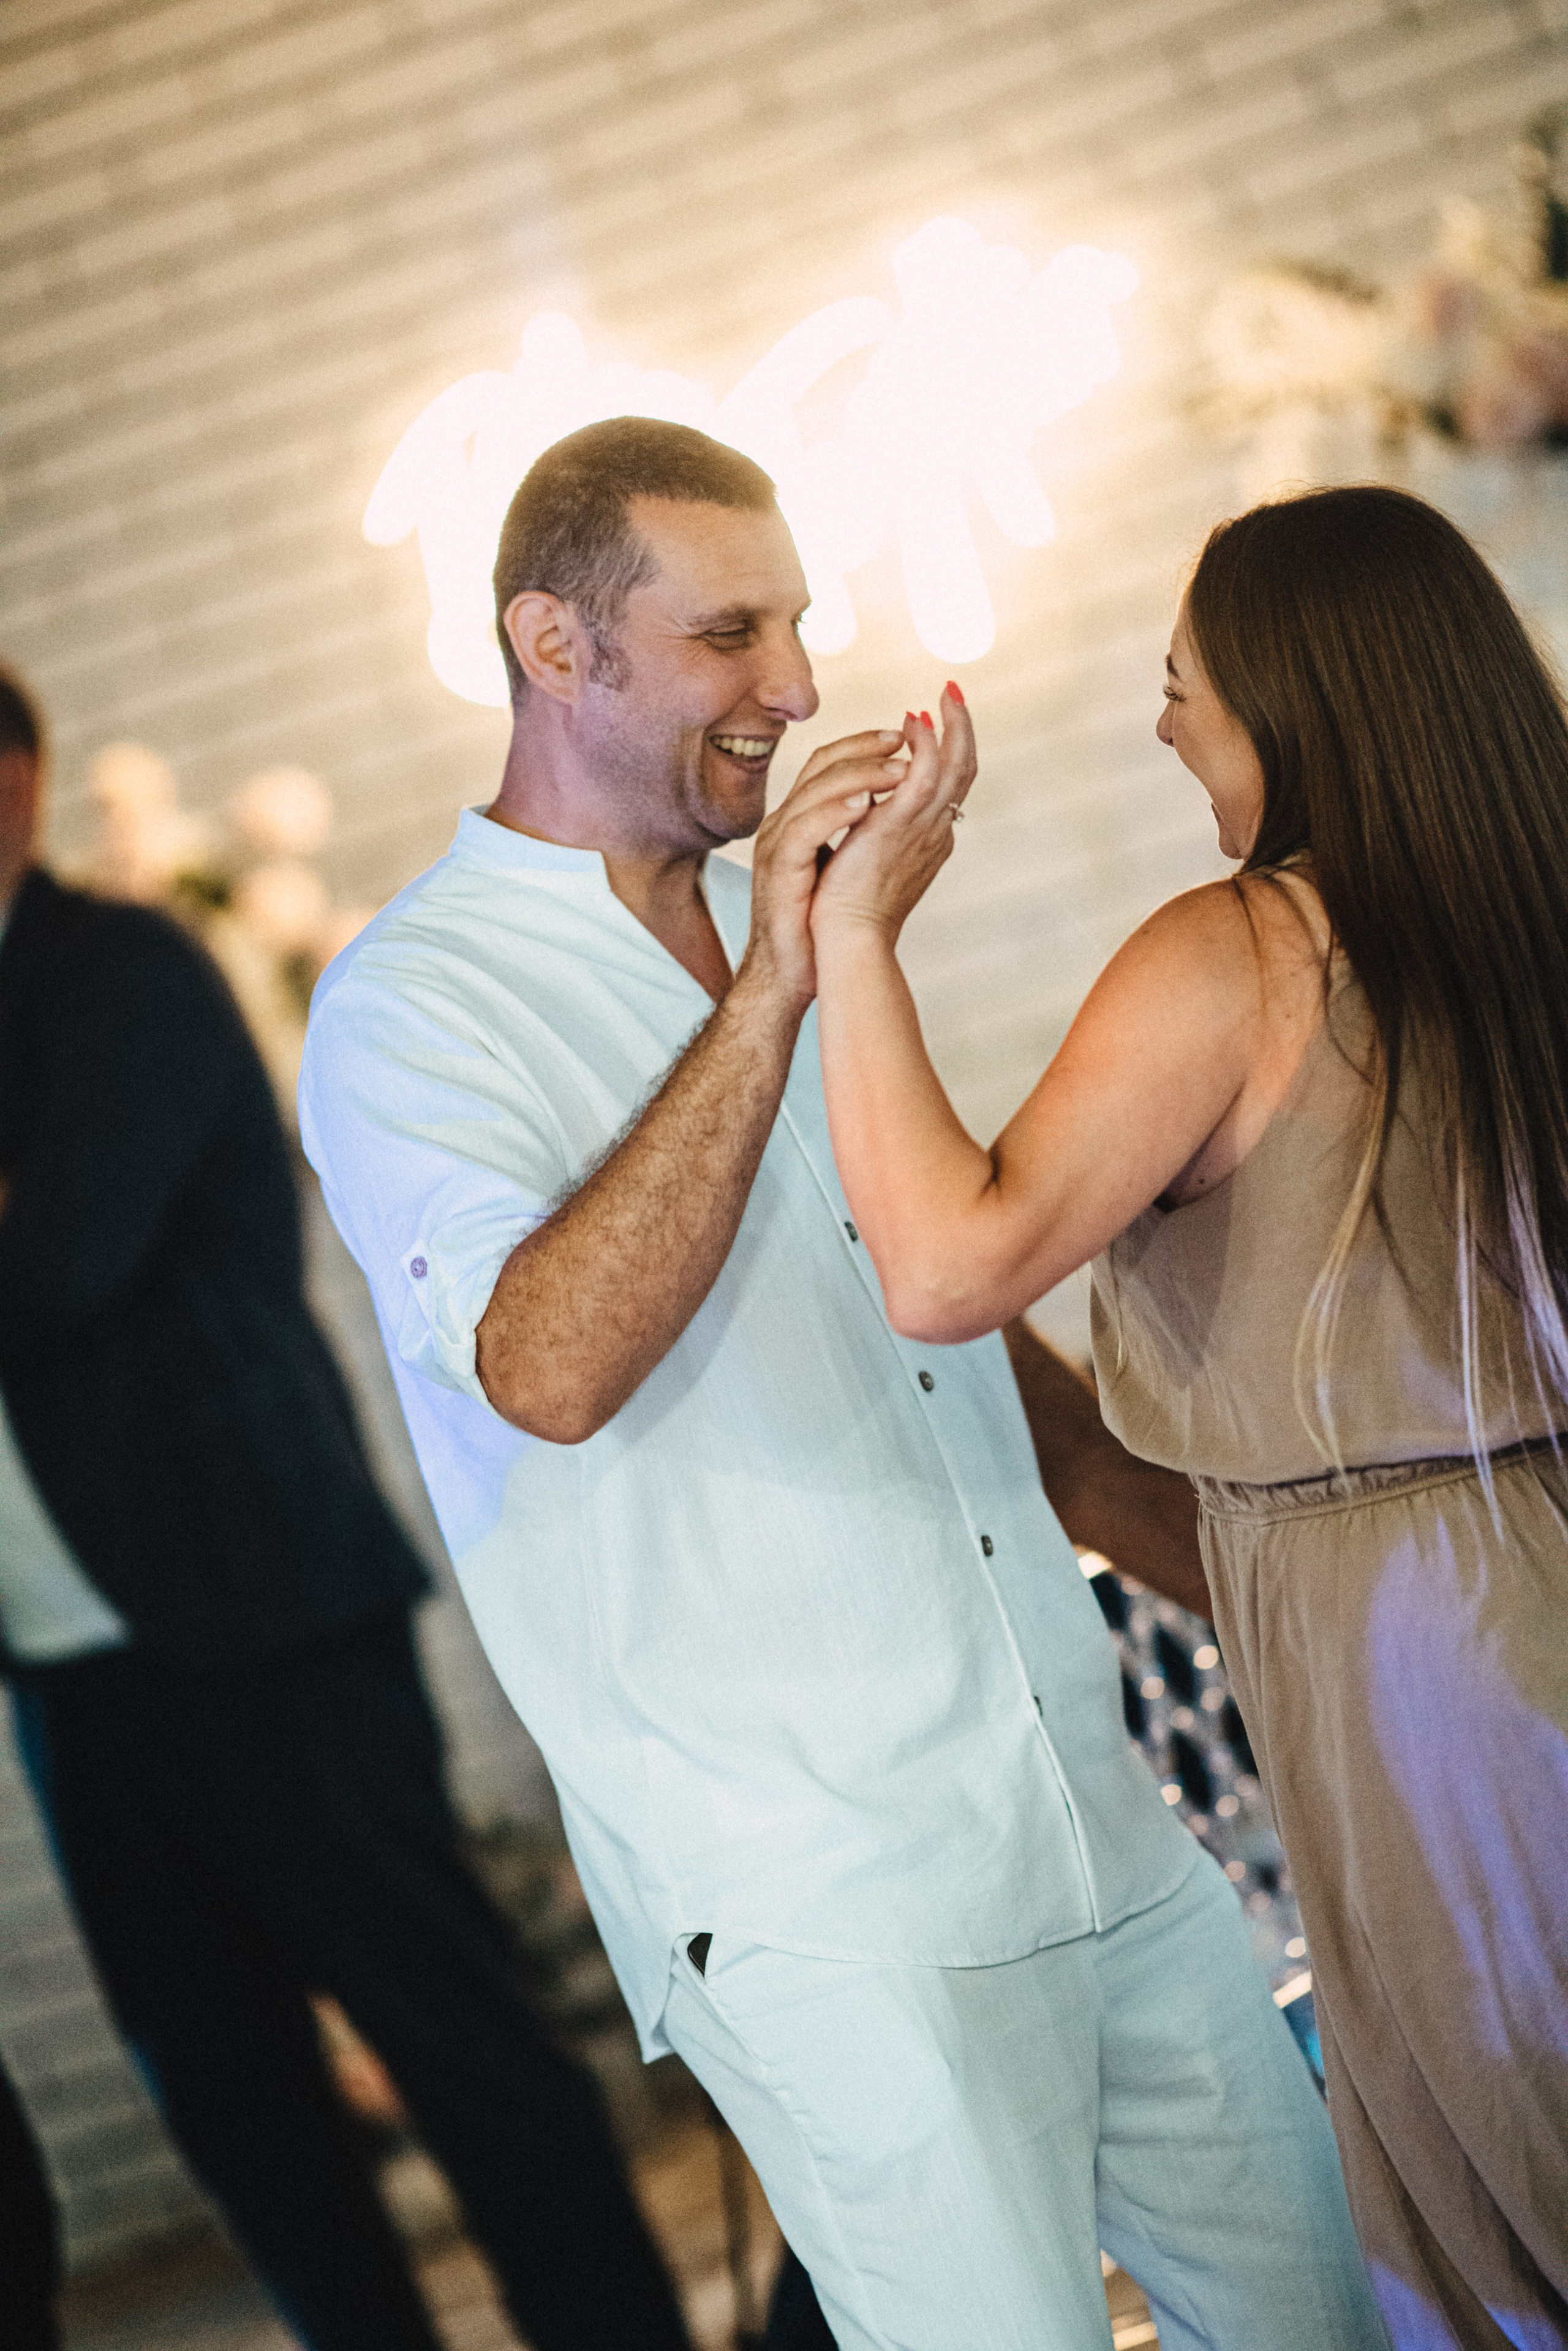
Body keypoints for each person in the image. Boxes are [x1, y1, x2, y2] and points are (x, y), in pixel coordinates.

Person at [301, 416, 1386, 2351]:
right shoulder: (414, 998)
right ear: (557, 646)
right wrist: (787, 983)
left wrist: (1307, 1611)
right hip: (822, 1899)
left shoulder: (778, 931)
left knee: (1328, 2320)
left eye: (796, 627)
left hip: (1086, 1812)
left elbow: (941, 1324)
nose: (795, 690)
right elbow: (542, 1368)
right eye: (731, 634)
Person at [805, 484, 1568, 2350]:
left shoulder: (1234, 951)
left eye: (1181, 688)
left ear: (1294, 700)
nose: (1161, 728)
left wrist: (853, 941)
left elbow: (948, 1264)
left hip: (1430, 1642)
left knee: (1513, 2150)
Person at [0, 668, 693, 2351]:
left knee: (455, 2036)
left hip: (265, 1612)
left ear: (16, 780)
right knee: (232, 2099)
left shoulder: (123, 975)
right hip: (68, 1672)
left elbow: (57, 1260)